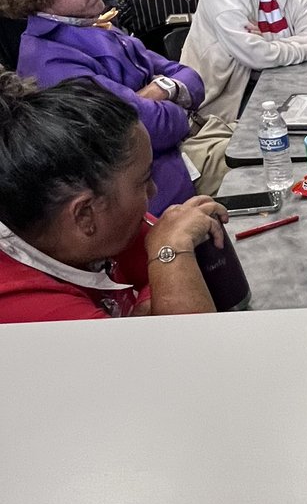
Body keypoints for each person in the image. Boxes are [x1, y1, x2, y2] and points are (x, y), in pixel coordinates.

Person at [0, 0, 207, 215]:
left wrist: (159, 90)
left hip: (184, 171)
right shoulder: (50, 63)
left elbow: (192, 78)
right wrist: (177, 106)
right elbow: (145, 131)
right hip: (161, 201)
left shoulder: (93, 29)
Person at [0, 72, 228, 322]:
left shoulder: (91, 225)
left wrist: (156, 297)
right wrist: (170, 253)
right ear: (84, 214)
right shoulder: (29, 310)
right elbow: (192, 355)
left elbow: (155, 284)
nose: (153, 191)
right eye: (144, 180)